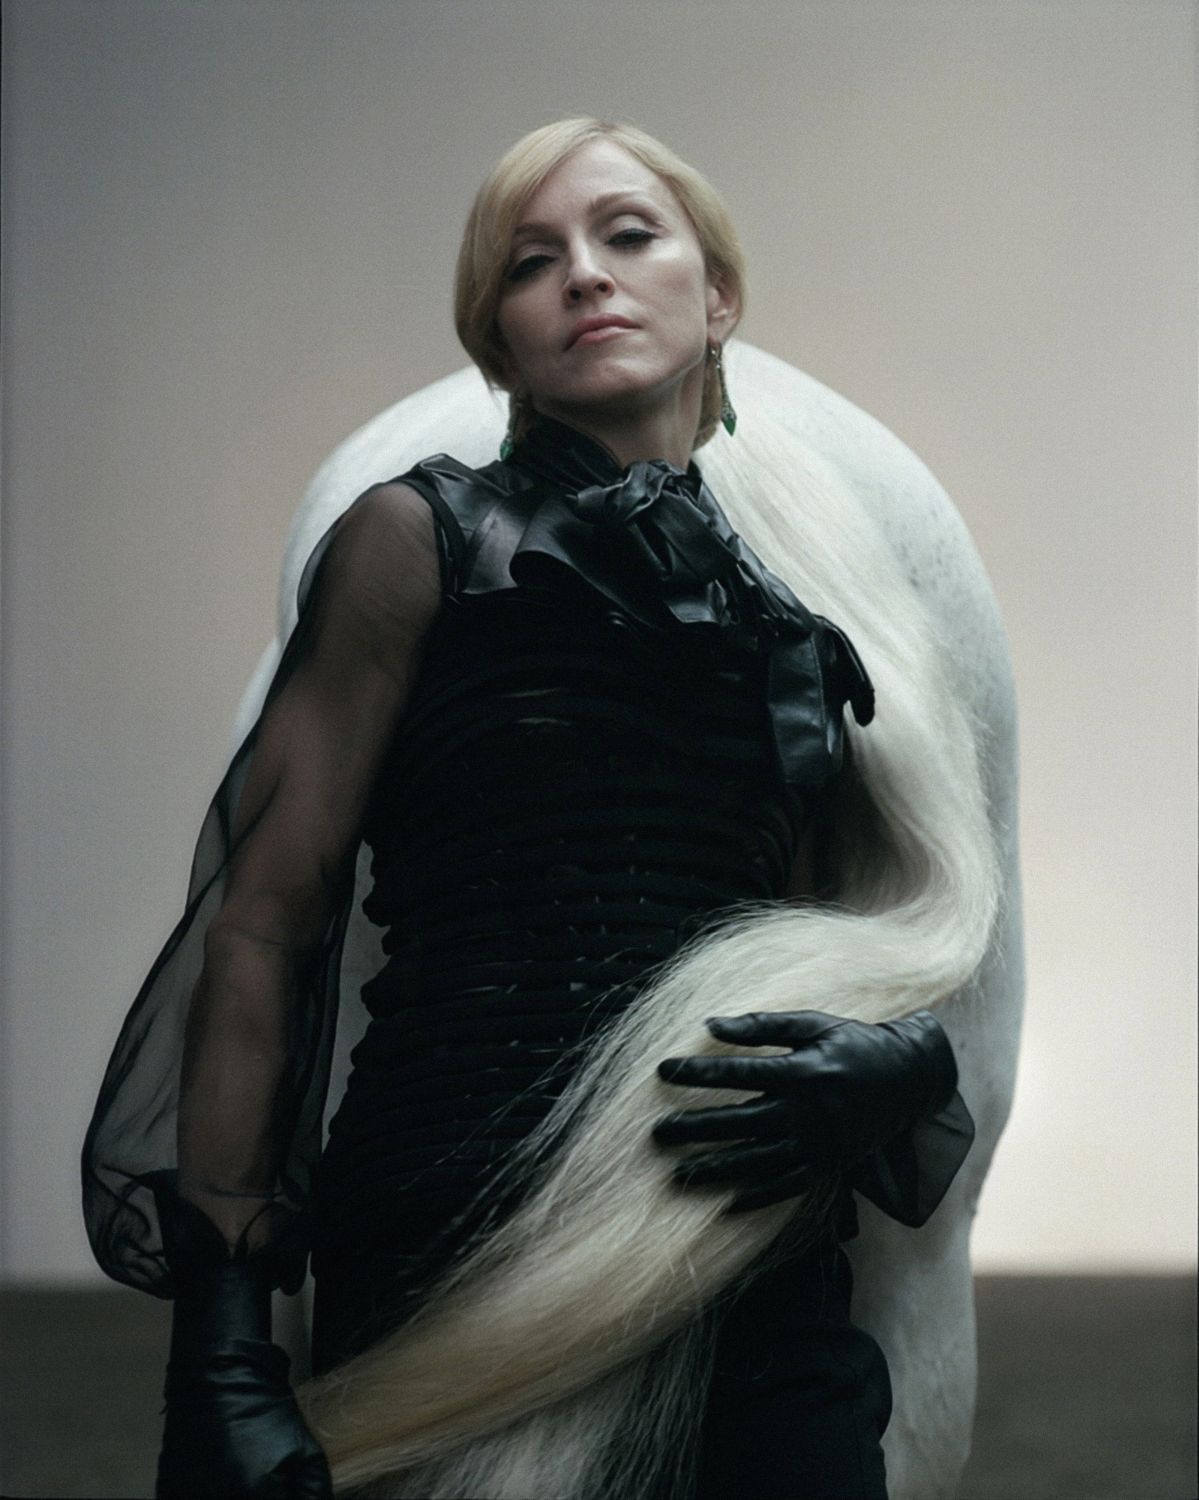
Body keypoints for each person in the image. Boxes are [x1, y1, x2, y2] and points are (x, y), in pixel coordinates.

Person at [83, 118, 998, 1500]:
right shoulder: (412, 540)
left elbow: (828, 938)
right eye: (530, 261)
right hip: (457, 1222)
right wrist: (220, 1355)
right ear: (499, 342)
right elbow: (264, 925)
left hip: (739, 1240)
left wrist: (905, 1069)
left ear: (718, 298)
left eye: (628, 235)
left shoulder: (804, 618)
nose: (584, 274)